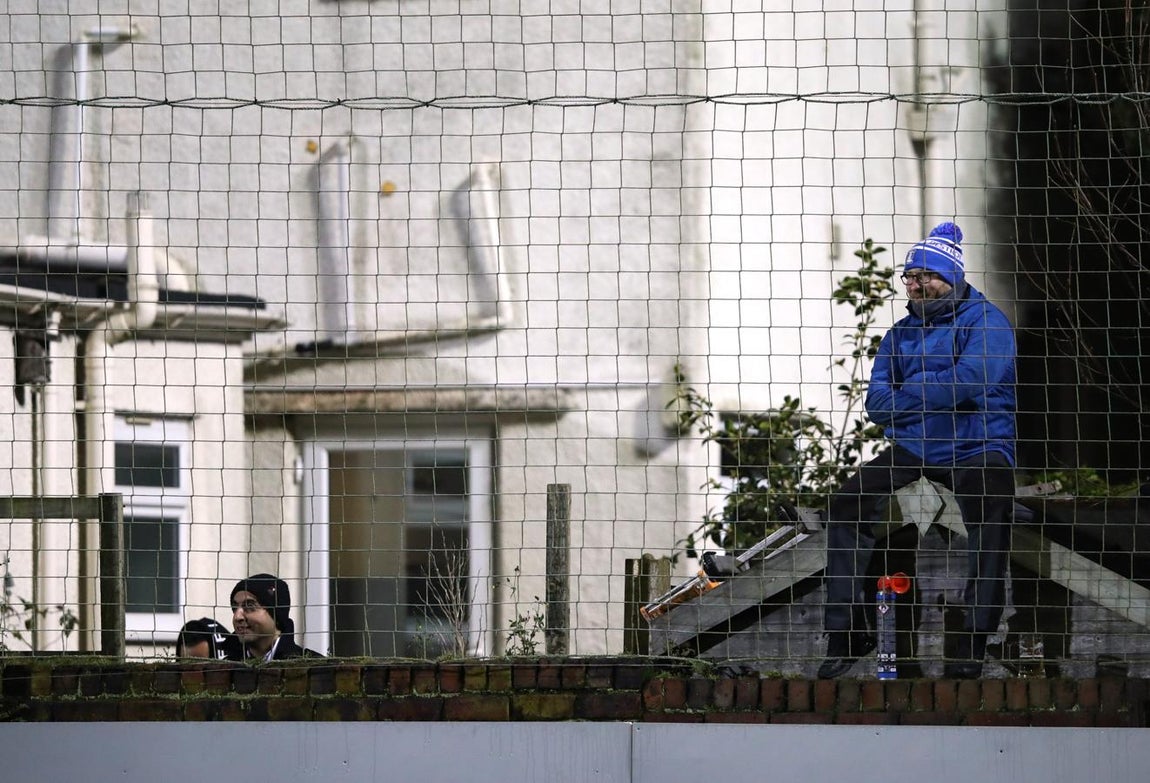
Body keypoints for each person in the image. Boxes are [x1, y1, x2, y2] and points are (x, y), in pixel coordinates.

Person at [818, 222, 1016, 680]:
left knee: (990, 510)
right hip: (917, 447)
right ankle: (846, 632)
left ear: (952, 277)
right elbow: (876, 404)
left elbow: (974, 381)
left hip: (979, 443)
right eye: (909, 276)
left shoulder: (988, 323)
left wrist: (917, 390)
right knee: (846, 504)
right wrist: (934, 393)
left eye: (926, 275)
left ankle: (974, 635)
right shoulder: (900, 334)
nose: (915, 284)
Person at [227, 573, 324, 661]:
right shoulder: (224, 668)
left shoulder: (312, 666)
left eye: (250, 606)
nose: (237, 617)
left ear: (276, 616)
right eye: (234, 608)